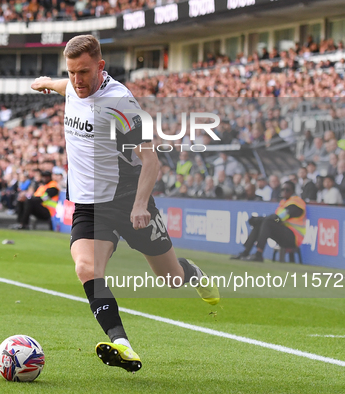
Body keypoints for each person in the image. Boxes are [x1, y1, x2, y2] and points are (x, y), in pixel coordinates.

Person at [30, 35, 219, 373]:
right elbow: (64, 87)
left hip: (128, 201)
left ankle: (192, 272)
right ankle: (122, 344)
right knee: (86, 269)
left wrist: (140, 205)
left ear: (101, 67)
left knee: (170, 278)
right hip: (89, 204)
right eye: (71, 72)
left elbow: (151, 160)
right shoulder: (73, 86)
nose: (77, 80)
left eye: (84, 72)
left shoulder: (120, 103)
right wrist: (46, 83)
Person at [231, 181, 306, 262]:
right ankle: (245, 252)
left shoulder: (295, 203)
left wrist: (264, 219)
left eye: (287, 190)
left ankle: (259, 254)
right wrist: (261, 220)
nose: (284, 191)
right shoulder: (284, 202)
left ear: (292, 191)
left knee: (267, 222)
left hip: (294, 237)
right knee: (262, 223)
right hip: (284, 233)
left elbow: (279, 219)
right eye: (282, 189)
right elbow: (276, 219)